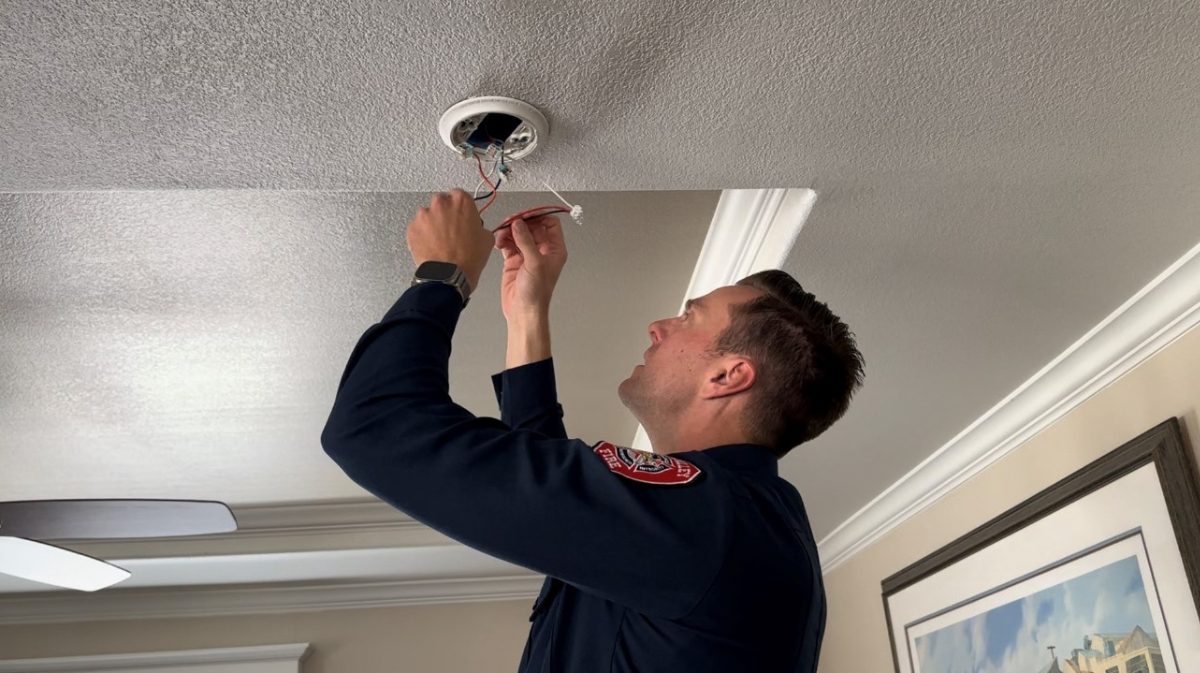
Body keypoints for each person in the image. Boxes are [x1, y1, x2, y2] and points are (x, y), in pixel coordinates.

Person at [321, 189, 865, 672]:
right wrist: (527, 313)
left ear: (727, 376)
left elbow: (375, 426)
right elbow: (546, 481)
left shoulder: (708, 519)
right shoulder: (722, 521)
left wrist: (444, 275)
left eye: (689, 318)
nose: (659, 326)